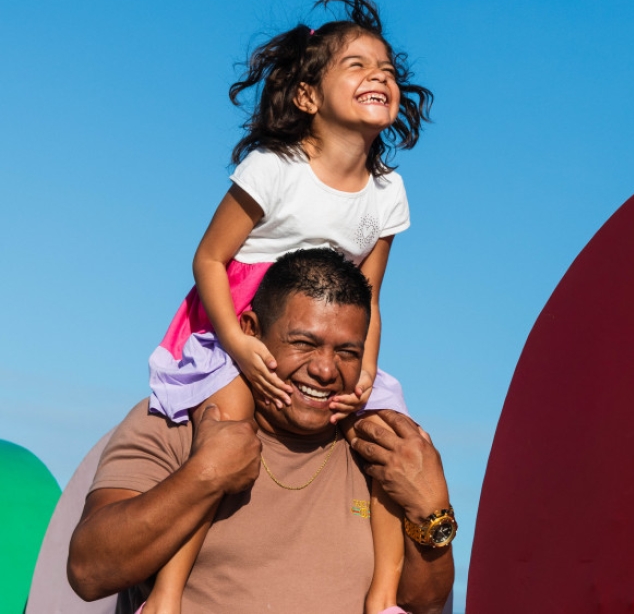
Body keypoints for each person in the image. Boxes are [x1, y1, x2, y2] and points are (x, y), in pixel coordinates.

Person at [143, 0, 432, 614]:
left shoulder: (388, 192)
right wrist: (241, 347)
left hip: (329, 330)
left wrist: (367, 371)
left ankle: (383, 599)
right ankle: (165, 598)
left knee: (389, 432)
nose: (378, 75)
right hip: (237, 320)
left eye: (385, 69)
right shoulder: (273, 167)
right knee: (225, 436)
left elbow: (371, 294)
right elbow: (208, 260)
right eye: (356, 65)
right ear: (307, 97)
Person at [68, 248, 456, 613]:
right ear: (250, 331)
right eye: (304, 343)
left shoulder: (385, 450)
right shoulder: (174, 422)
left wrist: (433, 511)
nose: (325, 369)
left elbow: (423, 605)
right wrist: (204, 475)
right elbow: (89, 572)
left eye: (347, 352)